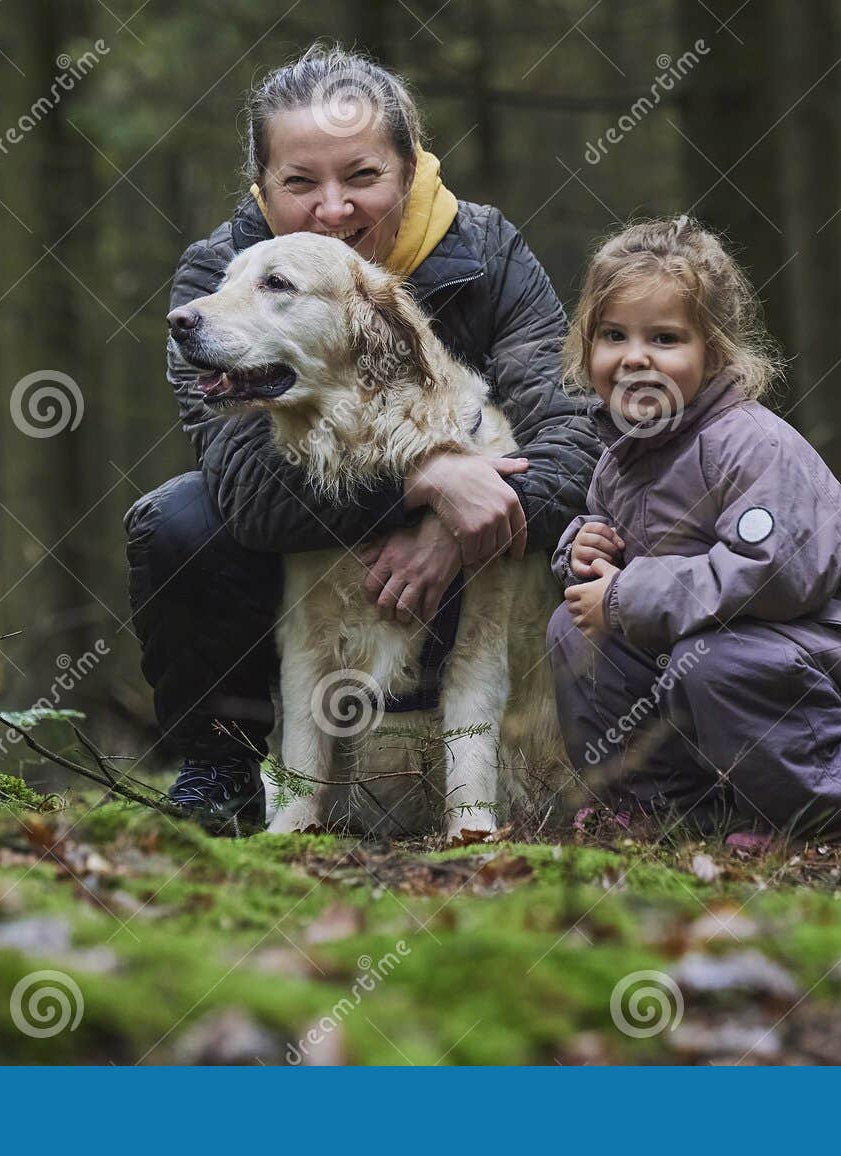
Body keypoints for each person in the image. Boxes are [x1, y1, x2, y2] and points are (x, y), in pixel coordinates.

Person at [125, 45, 597, 831]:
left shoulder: (487, 254)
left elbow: (574, 434)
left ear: (410, 172)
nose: (333, 209)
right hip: (309, 568)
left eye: (363, 177)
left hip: (484, 580)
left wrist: (459, 525)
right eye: (300, 182)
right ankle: (221, 769)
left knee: (616, 514)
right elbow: (246, 487)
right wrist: (425, 483)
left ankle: (597, 764)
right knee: (180, 521)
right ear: (262, 185)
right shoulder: (217, 279)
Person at [546, 217, 841, 838]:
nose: (635, 356)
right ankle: (665, 805)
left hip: (831, 638)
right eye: (613, 335)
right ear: (588, 348)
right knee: (574, 632)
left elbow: (772, 574)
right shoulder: (620, 459)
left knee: (712, 658)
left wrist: (626, 595)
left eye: (664, 338)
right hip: (714, 645)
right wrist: (582, 550)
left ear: (712, 353)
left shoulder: (750, 444)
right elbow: (618, 563)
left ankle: (830, 800)